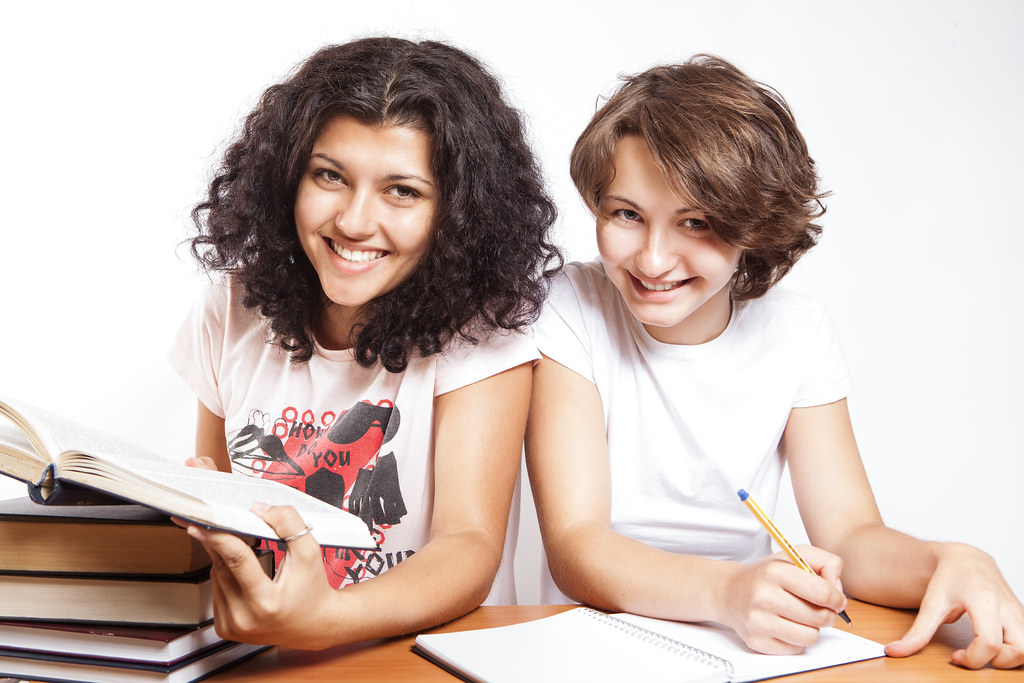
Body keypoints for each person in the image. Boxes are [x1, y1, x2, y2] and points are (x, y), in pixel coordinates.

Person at [525, 54, 1023, 670]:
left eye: (695, 222)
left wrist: (946, 560)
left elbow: (850, 536)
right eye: (627, 214)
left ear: (754, 227)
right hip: (586, 646)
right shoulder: (569, 307)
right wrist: (726, 591)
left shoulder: (798, 331)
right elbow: (577, 546)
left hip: (743, 650)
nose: (652, 259)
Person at [170, 37, 560, 649]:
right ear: (287, 178)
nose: (353, 222)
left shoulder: (482, 329)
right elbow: (225, 518)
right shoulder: (232, 308)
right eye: (330, 176)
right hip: (262, 656)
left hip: (418, 657)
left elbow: (469, 545)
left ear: (458, 212)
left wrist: (324, 619)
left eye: (402, 191)